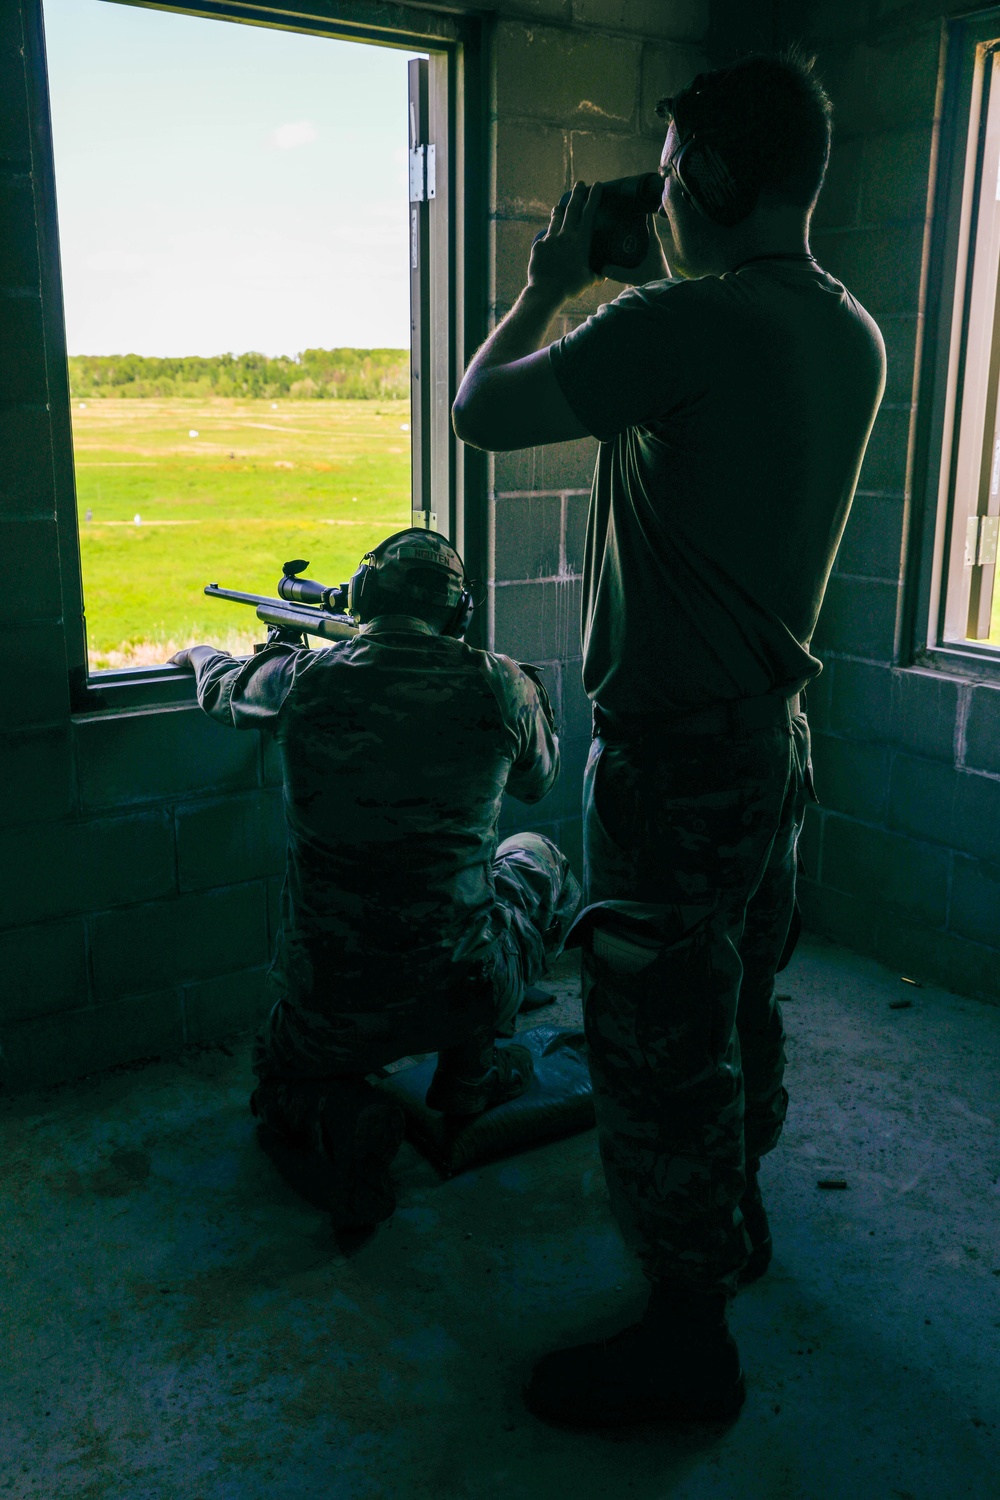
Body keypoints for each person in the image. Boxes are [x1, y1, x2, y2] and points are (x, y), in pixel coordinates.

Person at [452, 51, 886, 1425]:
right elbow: (714, 382)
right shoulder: (843, 325)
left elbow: (482, 413)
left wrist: (549, 278)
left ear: (712, 175)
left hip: (676, 764)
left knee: (652, 1047)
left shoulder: (684, 332)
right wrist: (650, 284)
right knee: (735, 1007)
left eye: (677, 161)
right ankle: (731, 1233)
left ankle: (685, 1342)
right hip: (771, 742)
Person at [171, 528, 581, 1230]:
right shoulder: (499, 681)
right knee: (533, 854)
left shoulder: (304, 680)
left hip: (331, 1000)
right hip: (463, 986)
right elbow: (540, 783)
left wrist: (195, 651)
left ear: (361, 596)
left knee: (277, 1081)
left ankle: (347, 1114)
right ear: (459, 612)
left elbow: (220, 688)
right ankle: (469, 1077)